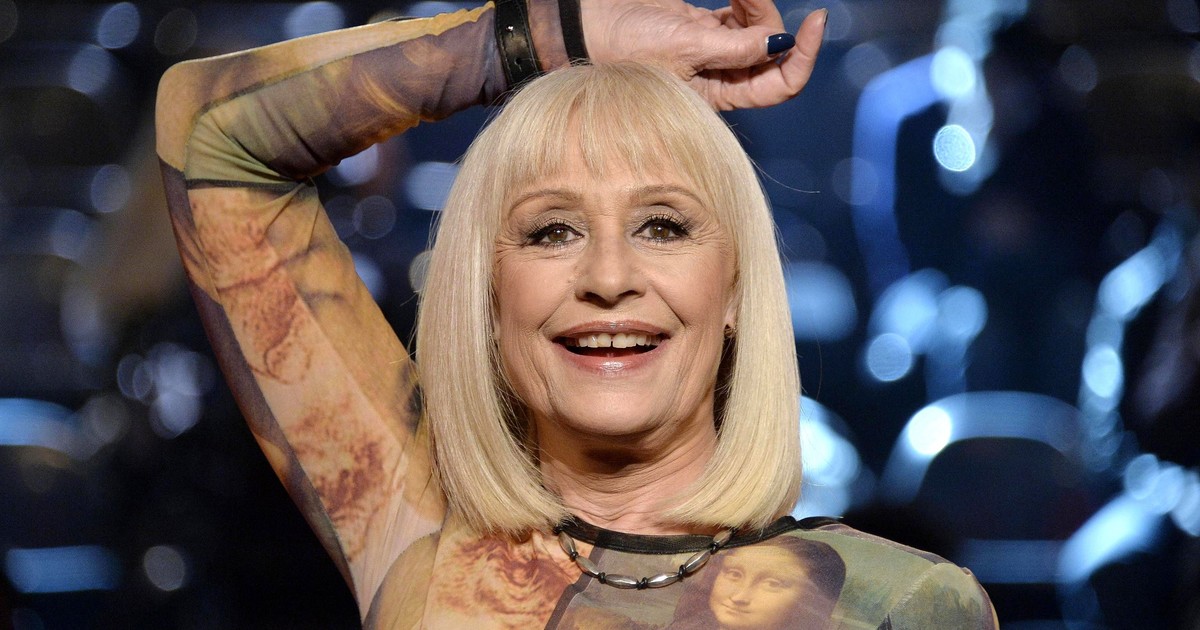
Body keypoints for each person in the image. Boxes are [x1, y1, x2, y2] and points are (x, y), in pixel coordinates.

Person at [155, 0, 998, 626]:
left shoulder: (897, 607)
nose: (608, 277)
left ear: (738, 291)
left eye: (662, 226)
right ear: (488, 300)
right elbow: (209, 139)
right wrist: (550, 37)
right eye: (550, 231)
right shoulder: (418, 533)